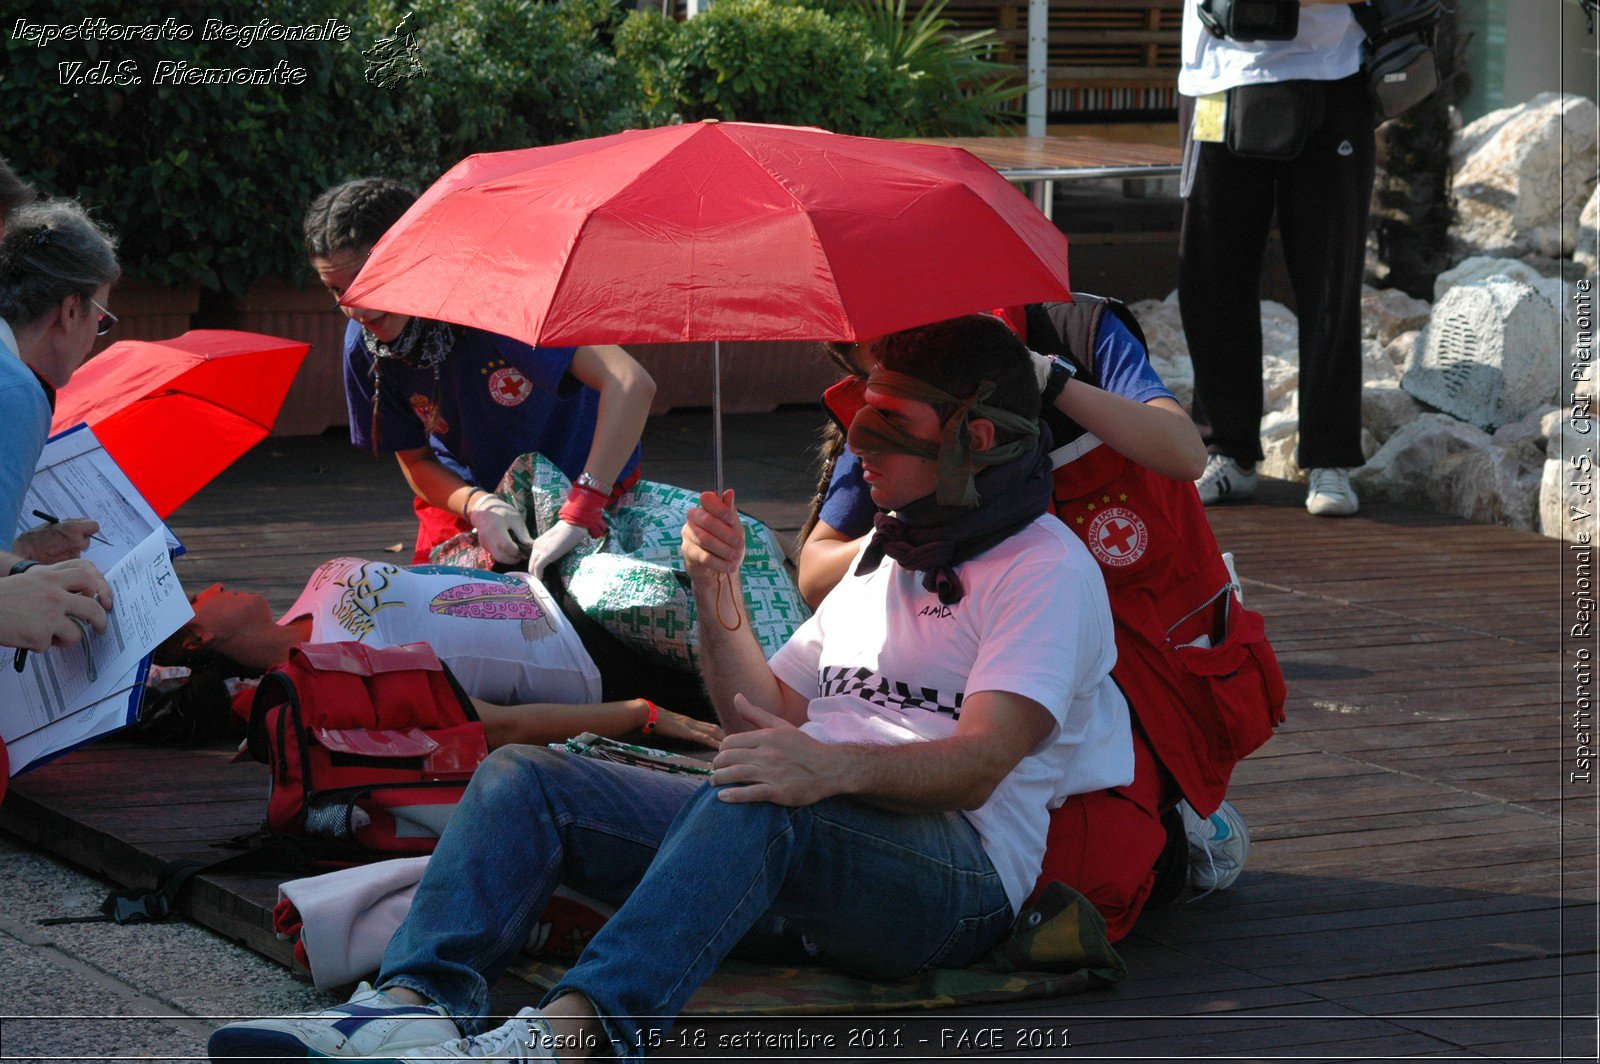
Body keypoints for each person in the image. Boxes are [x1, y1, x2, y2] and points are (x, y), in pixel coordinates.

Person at [206, 313, 1134, 1063]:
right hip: (800, 817)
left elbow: (979, 768)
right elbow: (756, 712)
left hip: (953, 877)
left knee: (765, 785)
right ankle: (416, 1006)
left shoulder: (1044, 571)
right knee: (528, 779)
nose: (861, 449)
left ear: (979, 440)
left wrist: (823, 770)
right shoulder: (886, 552)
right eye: (860, 418)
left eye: (894, 428)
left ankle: (569, 1043)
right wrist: (714, 589)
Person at [304, 178, 656, 575]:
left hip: (589, 486)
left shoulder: (501, 297)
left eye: (366, 280)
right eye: (336, 290)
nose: (355, 308)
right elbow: (416, 460)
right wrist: (477, 505)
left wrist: (583, 506)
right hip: (472, 501)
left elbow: (630, 383)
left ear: (414, 251)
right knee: (435, 615)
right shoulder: (364, 349)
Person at [797, 299, 1207, 607]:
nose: (902, 375)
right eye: (881, 375)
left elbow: (1186, 455)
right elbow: (815, 575)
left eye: (910, 355)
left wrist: (1048, 379)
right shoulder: (892, 411)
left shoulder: (1075, 329)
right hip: (999, 643)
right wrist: (903, 532)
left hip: (1148, 645)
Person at [151, 558, 720, 751]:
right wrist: (641, 715)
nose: (215, 587)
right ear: (198, 643)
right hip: (589, 651)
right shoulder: (338, 669)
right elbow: (492, 725)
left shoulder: (312, 590)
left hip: (555, 584)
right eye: (199, 599)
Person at [1178, 0, 1374, 516]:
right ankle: (1227, 451)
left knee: (1330, 274)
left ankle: (1330, 459)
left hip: (1331, 70)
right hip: (1218, 78)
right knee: (1212, 274)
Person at [0, 199, 119, 582]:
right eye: (101, 319)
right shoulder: (17, 393)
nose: (94, 339)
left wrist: (26, 552)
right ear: (70, 311)